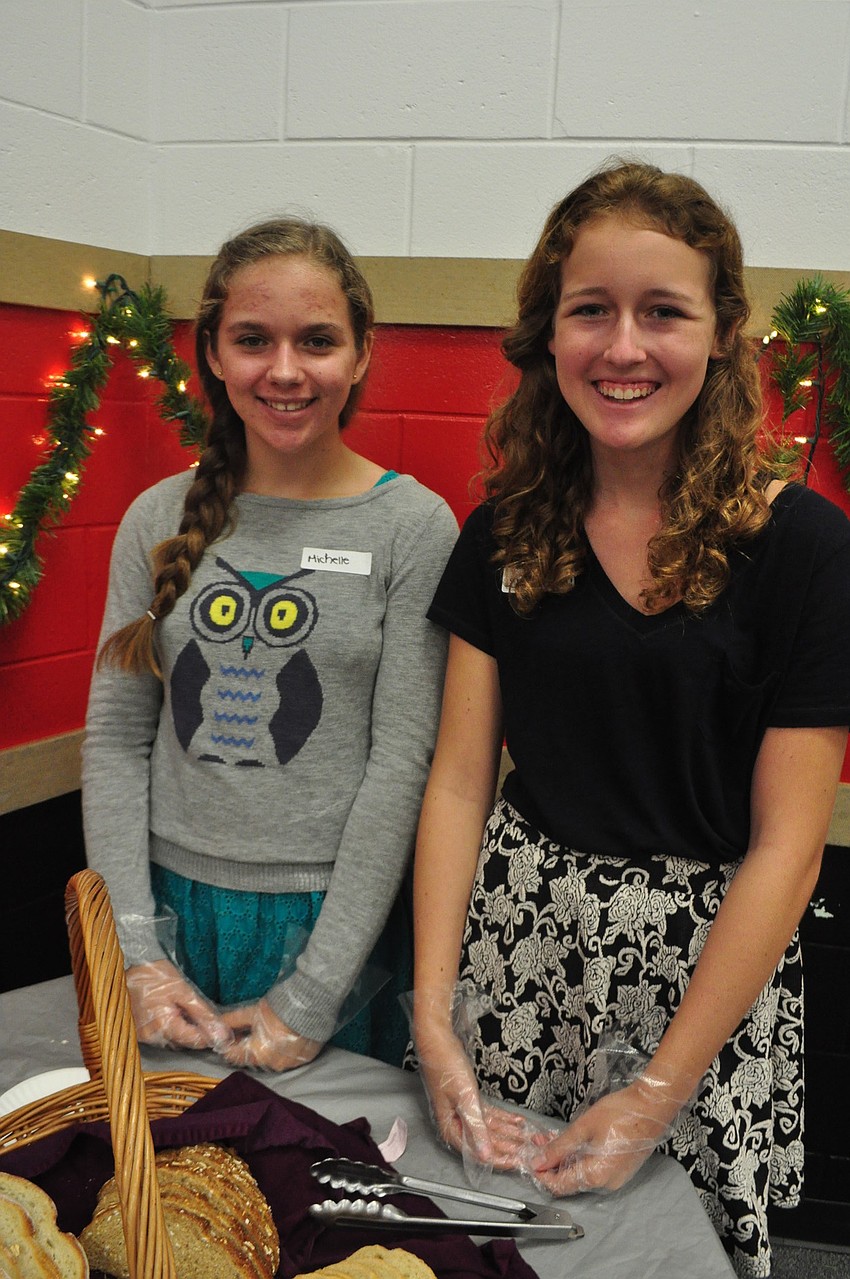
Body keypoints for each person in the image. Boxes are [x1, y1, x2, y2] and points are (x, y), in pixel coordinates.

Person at [410, 160, 850, 1278]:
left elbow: (790, 847)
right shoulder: (503, 532)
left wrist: (658, 1089)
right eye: (589, 311)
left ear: (722, 334)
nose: (622, 347)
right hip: (515, 948)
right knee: (494, 1243)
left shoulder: (803, 549)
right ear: (546, 332)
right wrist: (433, 1015)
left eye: (663, 312)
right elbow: (459, 782)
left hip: (703, 981)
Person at [82, 217, 458, 1073]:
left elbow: (402, 764)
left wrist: (316, 990)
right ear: (214, 353)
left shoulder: (413, 526)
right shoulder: (156, 516)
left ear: (361, 354)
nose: (285, 371)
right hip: (168, 909)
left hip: (333, 923)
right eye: (253, 339)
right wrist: (135, 950)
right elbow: (115, 739)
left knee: (321, 1146)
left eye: (317, 340)